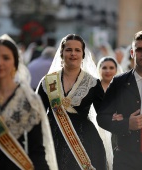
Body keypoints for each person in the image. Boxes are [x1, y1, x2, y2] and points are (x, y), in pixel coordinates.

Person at [97, 30, 142, 170]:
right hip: (126, 156)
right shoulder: (119, 82)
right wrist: (126, 124)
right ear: (132, 53)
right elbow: (102, 117)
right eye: (139, 49)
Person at [36, 34, 107, 170]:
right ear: (62, 53)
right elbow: (36, 115)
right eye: (68, 50)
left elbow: (104, 114)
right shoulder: (47, 81)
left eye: (77, 50)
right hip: (51, 142)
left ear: (83, 54)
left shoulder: (92, 83)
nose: (73, 54)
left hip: (85, 143)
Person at [0, 34, 58, 170]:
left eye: (6, 58)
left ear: (15, 62)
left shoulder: (29, 100)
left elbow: (36, 149)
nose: (0, 63)